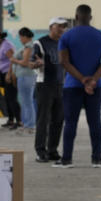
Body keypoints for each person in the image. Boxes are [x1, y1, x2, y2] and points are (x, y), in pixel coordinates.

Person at [57, 4, 101, 168]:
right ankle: (97, 159)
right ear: (90, 17)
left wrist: (82, 79)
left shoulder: (66, 37)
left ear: (76, 17)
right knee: (95, 122)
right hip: (95, 87)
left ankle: (67, 159)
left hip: (72, 86)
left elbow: (64, 62)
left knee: (70, 123)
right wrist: (93, 80)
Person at [32, 17, 67, 163]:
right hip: (44, 85)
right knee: (43, 120)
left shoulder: (62, 43)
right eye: (59, 26)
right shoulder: (40, 42)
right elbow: (34, 61)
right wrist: (37, 63)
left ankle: (53, 150)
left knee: (58, 120)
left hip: (59, 85)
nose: (62, 29)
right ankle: (41, 151)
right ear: (52, 27)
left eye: (64, 27)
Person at [0, 28, 20, 129]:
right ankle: (11, 120)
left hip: (9, 73)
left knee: (12, 98)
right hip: (3, 73)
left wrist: (9, 74)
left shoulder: (6, 45)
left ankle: (19, 120)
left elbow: (12, 60)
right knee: (7, 97)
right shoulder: (0, 45)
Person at [10, 27, 38, 133]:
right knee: (26, 101)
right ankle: (27, 124)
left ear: (25, 37)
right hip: (26, 76)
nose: (20, 39)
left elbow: (25, 62)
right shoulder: (30, 46)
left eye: (21, 37)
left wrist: (14, 60)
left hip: (26, 76)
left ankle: (29, 125)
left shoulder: (28, 46)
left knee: (27, 101)